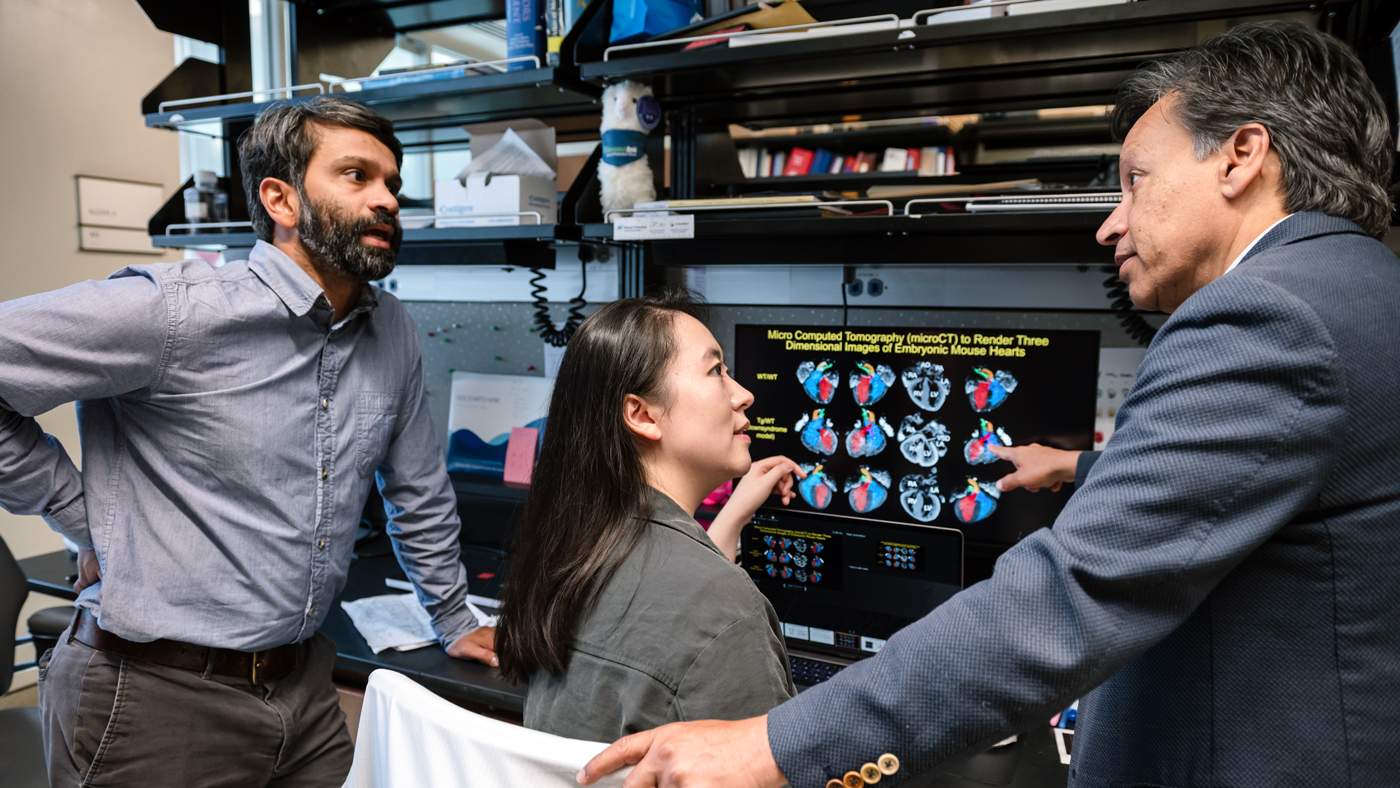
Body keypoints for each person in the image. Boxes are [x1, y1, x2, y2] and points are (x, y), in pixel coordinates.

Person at [578, 20, 1400, 788]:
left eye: (1135, 180)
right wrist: (1081, 465)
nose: (1111, 225)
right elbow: (1261, 480)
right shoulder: (1357, 290)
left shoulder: (1264, 315)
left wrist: (772, 744)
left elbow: (1069, 597)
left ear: (1241, 156)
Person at [0, 96, 495, 787]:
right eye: (357, 176)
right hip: (152, 697)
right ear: (280, 198)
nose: (387, 200)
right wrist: (84, 519)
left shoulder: (394, 332)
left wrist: (453, 616)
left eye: (393, 184)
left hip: (302, 693)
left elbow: (418, 488)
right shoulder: (174, 311)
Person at [496, 292, 805, 742]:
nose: (744, 394)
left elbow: (659, 610)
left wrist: (731, 520)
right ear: (641, 414)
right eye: (716, 371)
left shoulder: (572, 551)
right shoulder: (724, 610)